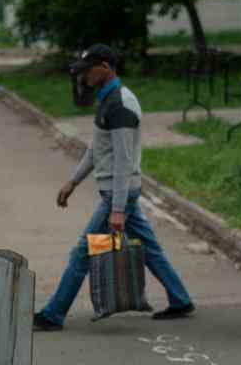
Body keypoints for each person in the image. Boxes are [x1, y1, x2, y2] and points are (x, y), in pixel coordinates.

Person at [33, 44, 195, 332]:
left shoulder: (121, 104)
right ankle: (180, 299)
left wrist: (118, 209)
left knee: (81, 254)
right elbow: (98, 149)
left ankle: (53, 314)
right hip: (119, 192)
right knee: (150, 249)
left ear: (105, 68)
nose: (83, 77)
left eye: (87, 71)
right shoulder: (107, 99)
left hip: (118, 194)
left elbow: (123, 161)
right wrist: (72, 182)